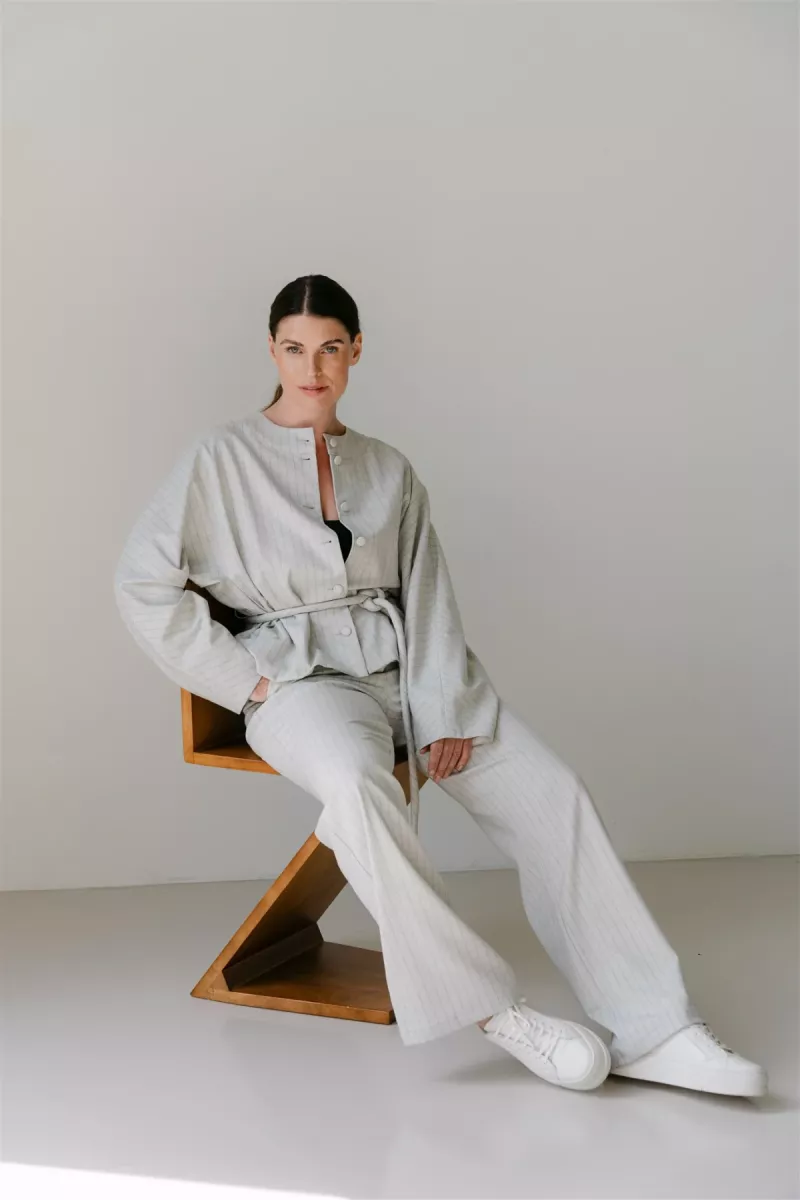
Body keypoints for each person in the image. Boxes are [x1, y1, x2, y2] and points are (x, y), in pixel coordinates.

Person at [114, 273, 766, 1097]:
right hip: (300, 685)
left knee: (553, 796)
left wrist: (444, 707)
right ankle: (497, 1012)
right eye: (293, 349)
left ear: (356, 352)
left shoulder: (388, 468)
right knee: (357, 789)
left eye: (329, 349)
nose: (311, 368)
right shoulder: (218, 460)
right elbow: (140, 584)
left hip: (408, 672)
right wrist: (247, 681)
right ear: (271, 351)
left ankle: (657, 1029)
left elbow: (425, 592)